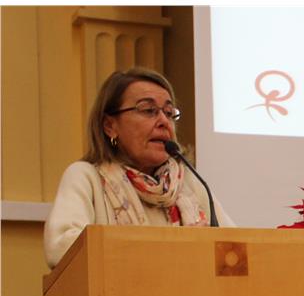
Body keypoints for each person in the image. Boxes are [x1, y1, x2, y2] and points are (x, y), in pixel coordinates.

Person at [44, 67, 234, 268]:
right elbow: (60, 248)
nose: (163, 121)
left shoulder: (189, 183)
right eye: (148, 110)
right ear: (110, 126)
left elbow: (236, 246)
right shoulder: (86, 177)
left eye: (169, 113)